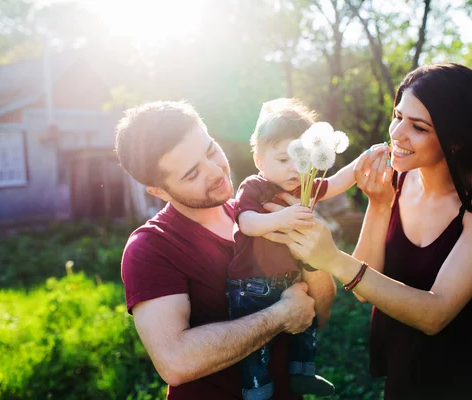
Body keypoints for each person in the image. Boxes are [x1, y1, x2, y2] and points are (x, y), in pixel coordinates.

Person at [264, 63, 472, 399]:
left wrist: (331, 258)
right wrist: (379, 204)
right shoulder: (396, 182)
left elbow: (435, 314)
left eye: (418, 127)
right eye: (398, 116)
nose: (397, 133)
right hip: (410, 373)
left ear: (456, 140)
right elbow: (362, 289)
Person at [114, 101, 336, 400]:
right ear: (158, 191)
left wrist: (313, 257)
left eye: (210, 150)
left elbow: (317, 314)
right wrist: (279, 316)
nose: (216, 171)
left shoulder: (265, 212)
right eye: (192, 174)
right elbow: (175, 362)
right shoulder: (151, 248)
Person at [228, 98, 358, 399]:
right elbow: (246, 222)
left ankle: (303, 371)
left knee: (306, 321)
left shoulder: (305, 185)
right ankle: (256, 388)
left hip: (289, 279)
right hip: (251, 284)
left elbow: (336, 183)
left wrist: (361, 163)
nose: (292, 169)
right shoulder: (254, 186)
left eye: (299, 159)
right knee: (255, 342)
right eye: (282, 160)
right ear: (260, 160)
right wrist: (282, 217)